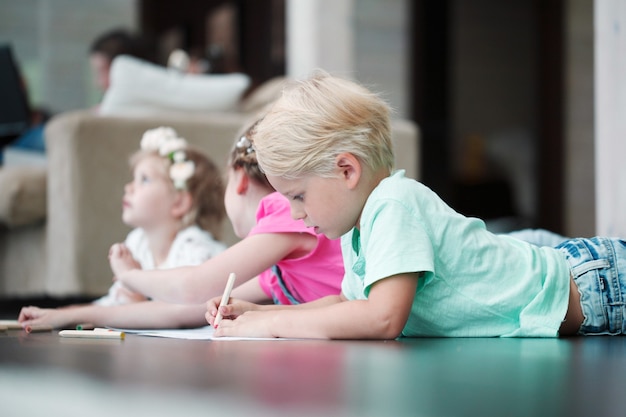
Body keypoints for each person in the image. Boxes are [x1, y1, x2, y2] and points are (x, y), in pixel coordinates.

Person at [206, 71, 626, 340]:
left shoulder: (393, 204)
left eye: (298, 196)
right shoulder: (360, 229)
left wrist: (275, 325)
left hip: (595, 286)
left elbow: (382, 319)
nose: (296, 214)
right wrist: (259, 312)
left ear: (347, 170)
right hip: (584, 299)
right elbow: (347, 304)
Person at [103, 118, 344, 308]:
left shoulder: (283, 210)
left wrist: (130, 275)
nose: (296, 210)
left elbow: (193, 289)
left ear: (240, 179)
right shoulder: (277, 273)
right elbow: (184, 310)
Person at [18, 127, 228, 329]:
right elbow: (113, 301)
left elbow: (184, 312)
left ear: (179, 203)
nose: (129, 187)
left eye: (144, 179)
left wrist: (138, 302)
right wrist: (65, 312)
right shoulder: (137, 241)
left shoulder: (195, 248)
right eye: (133, 178)